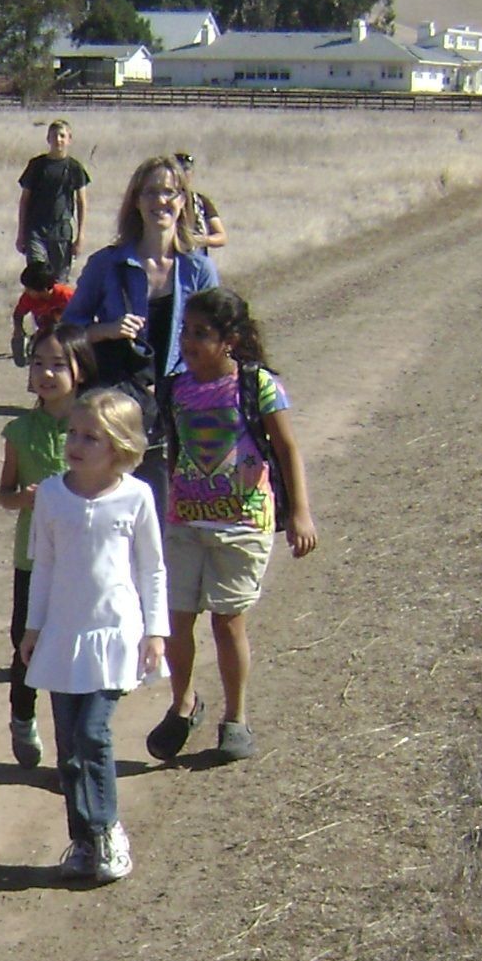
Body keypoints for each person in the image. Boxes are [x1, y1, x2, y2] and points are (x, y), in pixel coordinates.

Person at [146, 289, 317, 765]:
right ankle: (183, 705)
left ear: (230, 341)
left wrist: (299, 512)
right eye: (186, 332)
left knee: (227, 622)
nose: (190, 341)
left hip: (242, 524)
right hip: (185, 523)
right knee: (176, 618)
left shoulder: (257, 384)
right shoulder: (175, 388)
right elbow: (175, 452)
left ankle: (235, 718)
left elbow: (286, 449)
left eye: (202, 333)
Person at [21, 389, 166, 886]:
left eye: (92, 438)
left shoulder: (137, 496)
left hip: (115, 635)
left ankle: (107, 831)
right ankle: (82, 840)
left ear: (121, 448)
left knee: (93, 734)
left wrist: (156, 631)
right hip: (64, 637)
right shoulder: (52, 496)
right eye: (74, 434)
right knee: (68, 747)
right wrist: (33, 628)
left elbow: (152, 569)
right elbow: (44, 566)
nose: (76, 445)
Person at [62, 154, 219, 519]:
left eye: (170, 192)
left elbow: (220, 343)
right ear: (135, 200)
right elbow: (66, 334)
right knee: (109, 514)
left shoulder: (199, 270)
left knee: (164, 523)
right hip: (117, 412)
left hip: (179, 412)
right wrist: (106, 331)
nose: (160, 201)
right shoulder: (107, 264)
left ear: (184, 201)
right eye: (150, 192)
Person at [0, 326, 92, 768]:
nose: (46, 373)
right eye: (38, 363)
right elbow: (5, 495)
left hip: (83, 560)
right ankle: (22, 712)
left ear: (81, 369)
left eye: (58, 364)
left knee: (70, 651)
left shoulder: (94, 426)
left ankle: (70, 750)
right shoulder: (19, 431)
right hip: (32, 559)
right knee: (26, 643)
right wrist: (26, 498)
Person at [15, 121, 91, 283]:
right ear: (48, 139)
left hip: (61, 232)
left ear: (69, 139)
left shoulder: (75, 168)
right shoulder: (37, 166)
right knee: (37, 277)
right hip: (36, 230)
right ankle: (37, 309)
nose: (58, 139)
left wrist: (81, 236)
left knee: (58, 283)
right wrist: (21, 233)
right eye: (54, 135)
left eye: (62, 136)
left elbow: (81, 202)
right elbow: (24, 200)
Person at [10, 260, 75, 366]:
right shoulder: (28, 298)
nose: (26, 291)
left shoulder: (66, 295)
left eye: (29, 289)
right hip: (44, 333)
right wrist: (18, 330)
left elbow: (82, 313)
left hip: (68, 334)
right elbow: (18, 314)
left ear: (44, 290)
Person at [175, 151, 227, 251]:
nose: (181, 174)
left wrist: (198, 240)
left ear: (192, 173)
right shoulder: (160, 201)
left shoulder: (200, 201)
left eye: (186, 169)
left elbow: (221, 237)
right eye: (178, 170)